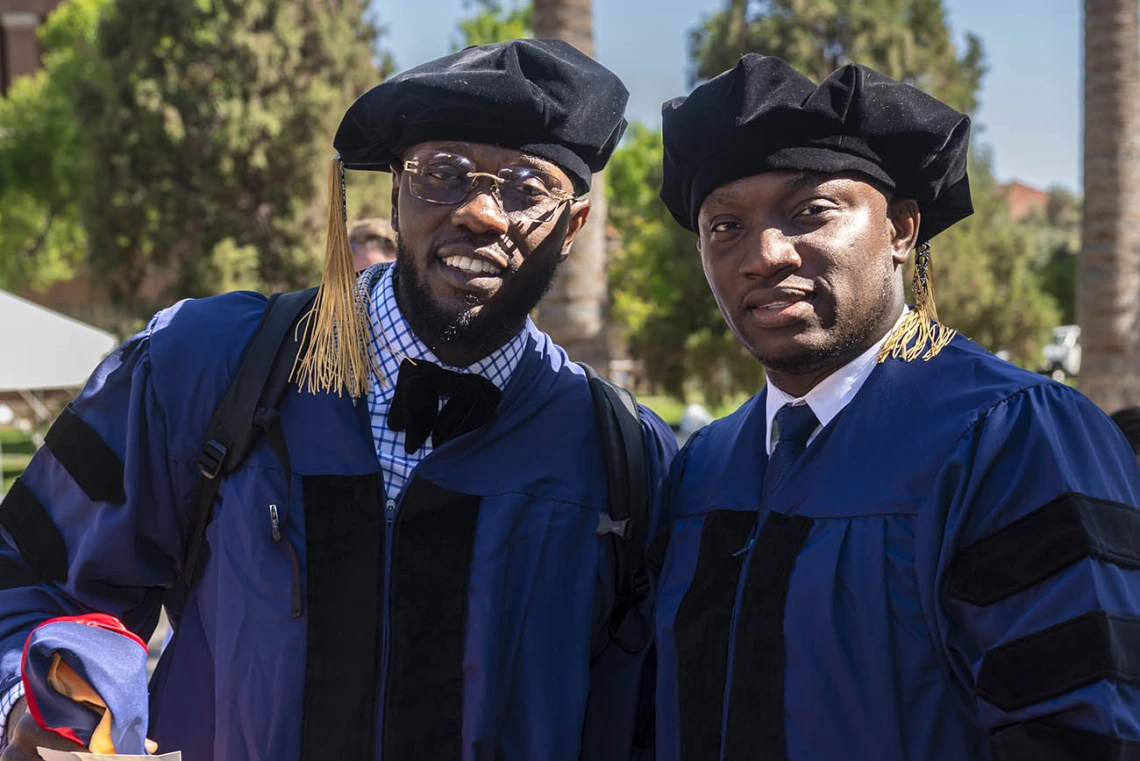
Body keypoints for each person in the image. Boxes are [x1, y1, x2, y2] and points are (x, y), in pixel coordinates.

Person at [0, 39, 675, 761]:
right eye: (442, 173)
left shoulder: (622, 458)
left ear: (573, 226)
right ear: (395, 192)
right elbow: (31, 574)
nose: (481, 210)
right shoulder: (209, 366)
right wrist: (47, 708)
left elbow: (643, 719)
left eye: (526, 185)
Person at [651, 55, 1140, 761]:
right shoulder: (703, 464)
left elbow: (1085, 734)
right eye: (724, 226)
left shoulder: (1012, 436)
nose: (763, 254)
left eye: (810, 210)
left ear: (902, 229)